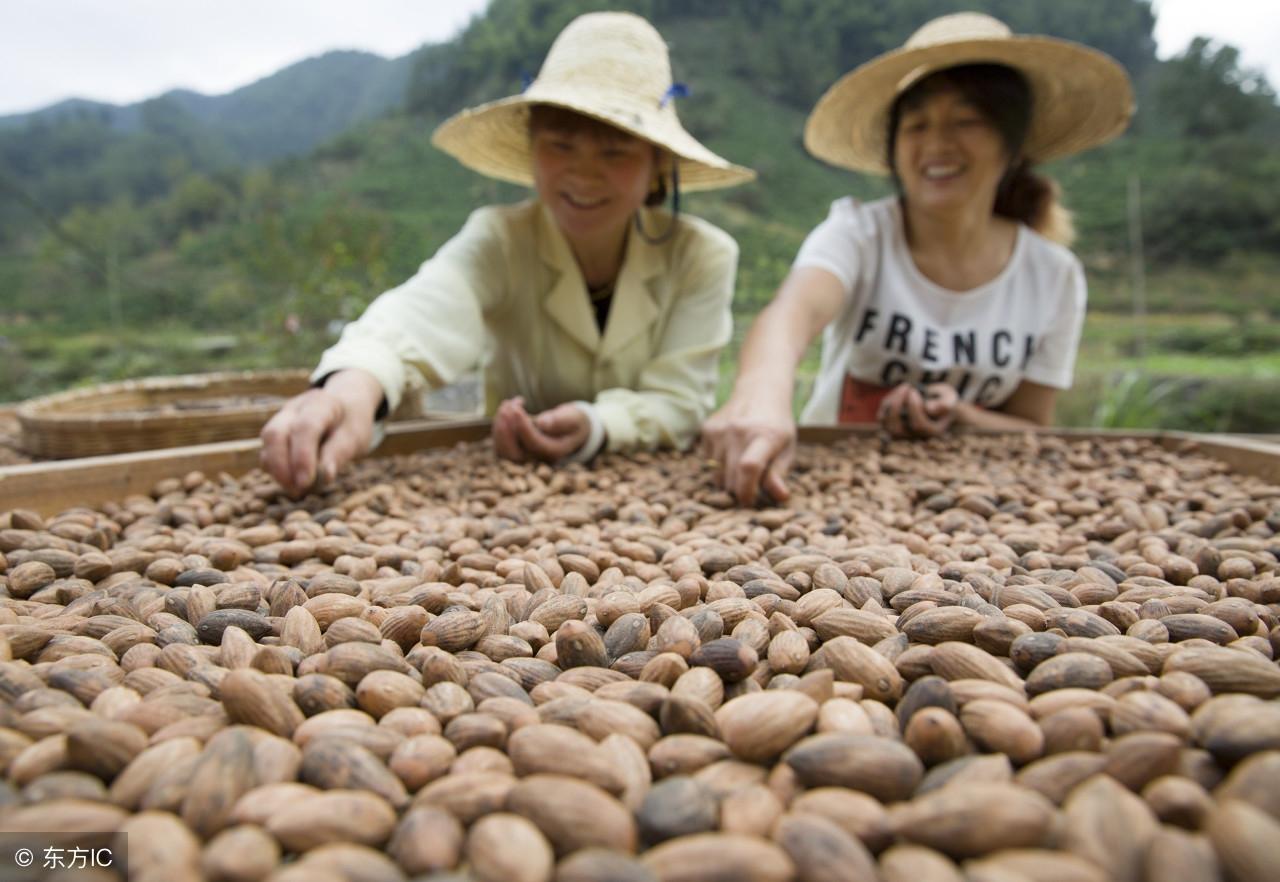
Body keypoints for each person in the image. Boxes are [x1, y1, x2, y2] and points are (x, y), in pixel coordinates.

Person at [261, 11, 754, 496]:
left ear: (657, 166)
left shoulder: (702, 256)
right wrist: (354, 385)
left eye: (615, 152)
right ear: (531, 149)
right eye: (560, 145)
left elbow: (681, 400)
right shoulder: (499, 239)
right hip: (507, 494)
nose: (583, 175)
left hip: (654, 492)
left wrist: (597, 424)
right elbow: (420, 313)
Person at [702, 12, 1133, 506]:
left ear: (1012, 146)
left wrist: (962, 416)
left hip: (982, 499)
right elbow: (792, 313)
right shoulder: (859, 234)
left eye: (966, 120)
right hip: (832, 489)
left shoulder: (1053, 276)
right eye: (916, 124)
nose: (936, 143)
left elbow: (1033, 426)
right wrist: (761, 396)